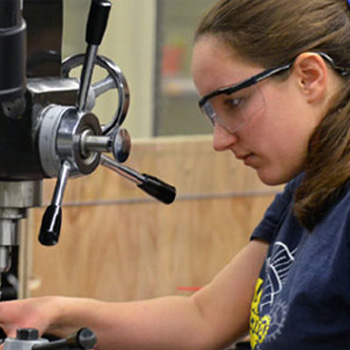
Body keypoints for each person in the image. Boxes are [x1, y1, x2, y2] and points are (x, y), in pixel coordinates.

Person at [2, 0, 350, 349]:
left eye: (234, 102)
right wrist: (51, 312)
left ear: (309, 77)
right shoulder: (305, 192)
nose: (220, 140)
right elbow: (202, 320)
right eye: (213, 115)